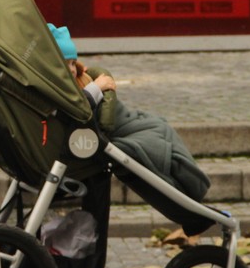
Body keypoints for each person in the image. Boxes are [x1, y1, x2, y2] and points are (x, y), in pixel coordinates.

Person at [47, 24, 212, 219]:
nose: (72, 69)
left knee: (158, 127)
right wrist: (97, 88)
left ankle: (190, 191)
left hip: (121, 124)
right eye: (66, 64)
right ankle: (188, 195)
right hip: (95, 139)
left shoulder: (76, 81)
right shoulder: (57, 88)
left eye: (74, 63)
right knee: (154, 141)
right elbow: (75, 108)